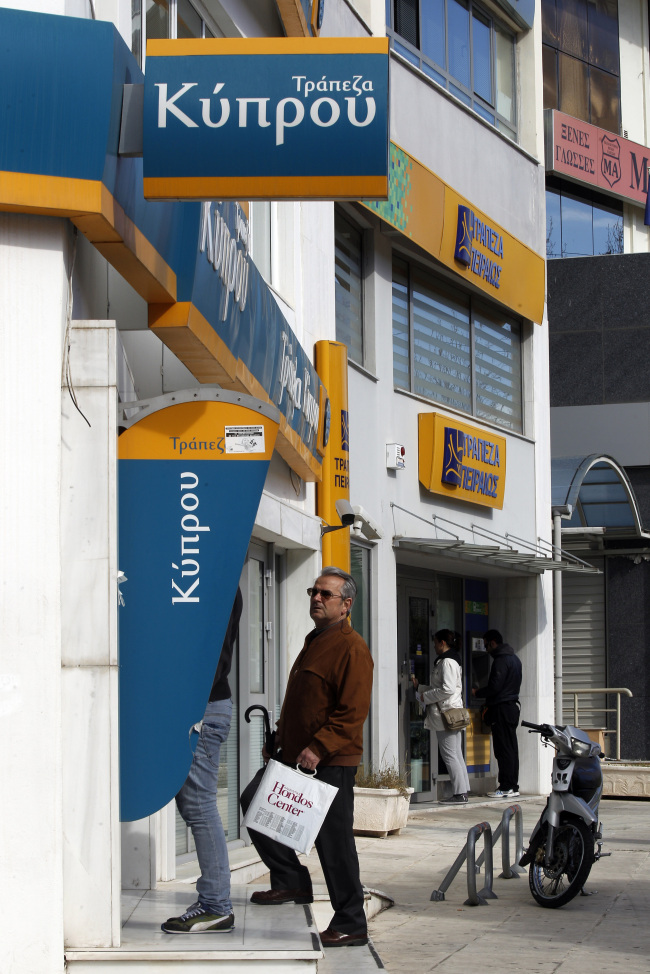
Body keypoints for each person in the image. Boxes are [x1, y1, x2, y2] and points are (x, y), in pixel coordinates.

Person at [240, 566, 373, 949]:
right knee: (254, 802)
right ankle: (290, 881)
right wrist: (281, 736)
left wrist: (318, 747)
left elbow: (352, 712)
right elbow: (306, 701)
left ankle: (351, 921)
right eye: (313, 591)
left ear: (346, 605)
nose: (316, 598)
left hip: (330, 760)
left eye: (325, 594)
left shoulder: (352, 647)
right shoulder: (316, 639)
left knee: (334, 843)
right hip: (294, 753)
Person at [161, 587, 243, 934]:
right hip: (204, 705)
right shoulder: (211, 578)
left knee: (199, 805)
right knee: (196, 805)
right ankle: (215, 900)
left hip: (203, 707)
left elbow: (212, 658)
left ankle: (215, 904)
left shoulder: (216, 580)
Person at [411, 629, 470, 805]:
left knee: (450, 755)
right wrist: (421, 688)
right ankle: (463, 790)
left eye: (436, 642)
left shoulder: (447, 662)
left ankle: (460, 794)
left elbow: (448, 689)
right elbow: (444, 687)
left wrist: (424, 697)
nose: (434, 646)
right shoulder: (451, 660)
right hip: (451, 713)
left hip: (446, 715)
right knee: (456, 754)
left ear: (442, 643)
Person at [472, 629, 522, 799]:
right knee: (511, 748)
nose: (485, 649)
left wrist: (477, 692)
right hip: (512, 707)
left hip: (501, 708)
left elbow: (495, 687)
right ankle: (513, 785)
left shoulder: (501, 661)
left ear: (493, 643)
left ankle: (505, 786)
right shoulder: (515, 659)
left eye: (486, 645)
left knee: (502, 749)